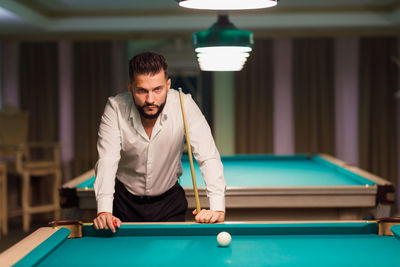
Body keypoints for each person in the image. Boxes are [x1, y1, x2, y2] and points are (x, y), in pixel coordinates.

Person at [93, 52, 226, 232]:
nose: (150, 99)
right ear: (130, 87)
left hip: (169, 204)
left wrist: (217, 207)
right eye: (142, 91)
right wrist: (104, 211)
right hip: (124, 204)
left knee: (171, 261)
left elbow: (208, 156)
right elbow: (107, 160)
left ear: (168, 85)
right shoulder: (115, 108)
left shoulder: (184, 104)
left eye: (158, 89)